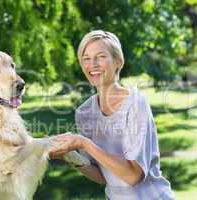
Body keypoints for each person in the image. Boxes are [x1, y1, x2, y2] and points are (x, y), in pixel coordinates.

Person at [49, 30, 174, 200]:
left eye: (100, 56)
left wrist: (83, 143)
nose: (92, 64)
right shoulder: (85, 113)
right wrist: (69, 154)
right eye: (86, 59)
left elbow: (133, 176)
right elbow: (104, 176)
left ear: (118, 62)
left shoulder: (136, 104)